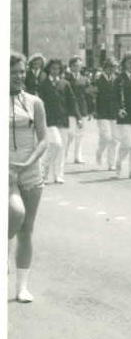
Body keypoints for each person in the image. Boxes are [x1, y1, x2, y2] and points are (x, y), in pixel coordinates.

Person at [9, 52, 49, 303]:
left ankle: (21, 287)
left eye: (22, 71)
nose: (19, 76)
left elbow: (44, 139)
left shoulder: (34, 102)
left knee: (26, 231)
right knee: (15, 214)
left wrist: (28, 162)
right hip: (6, 172)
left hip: (30, 171)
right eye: (14, 72)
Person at [36, 58, 75, 185]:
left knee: (61, 149)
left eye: (58, 68)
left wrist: (78, 117)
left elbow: (71, 101)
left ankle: (58, 175)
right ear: (48, 69)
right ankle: (43, 172)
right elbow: (39, 103)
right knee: (55, 144)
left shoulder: (65, 83)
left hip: (63, 120)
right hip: (49, 121)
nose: (55, 71)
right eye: (53, 68)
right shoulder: (43, 84)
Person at [93, 57, 121, 170]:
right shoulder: (98, 79)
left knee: (115, 139)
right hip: (102, 111)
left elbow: (119, 96)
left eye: (114, 68)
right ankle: (99, 152)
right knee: (106, 137)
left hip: (114, 111)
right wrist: (94, 110)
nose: (112, 70)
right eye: (110, 67)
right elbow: (94, 96)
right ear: (105, 68)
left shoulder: (117, 80)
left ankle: (111, 163)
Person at [64, 57, 90, 164]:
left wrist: (90, 110)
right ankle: (64, 154)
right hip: (70, 109)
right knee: (70, 133)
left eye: (79, 65)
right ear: (70, 66)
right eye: (75, 65)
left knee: (80, 134)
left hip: (82, 108)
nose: (77, 67)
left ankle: (77, 156)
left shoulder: (84, 79)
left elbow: (88, 95)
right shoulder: (66, 78)